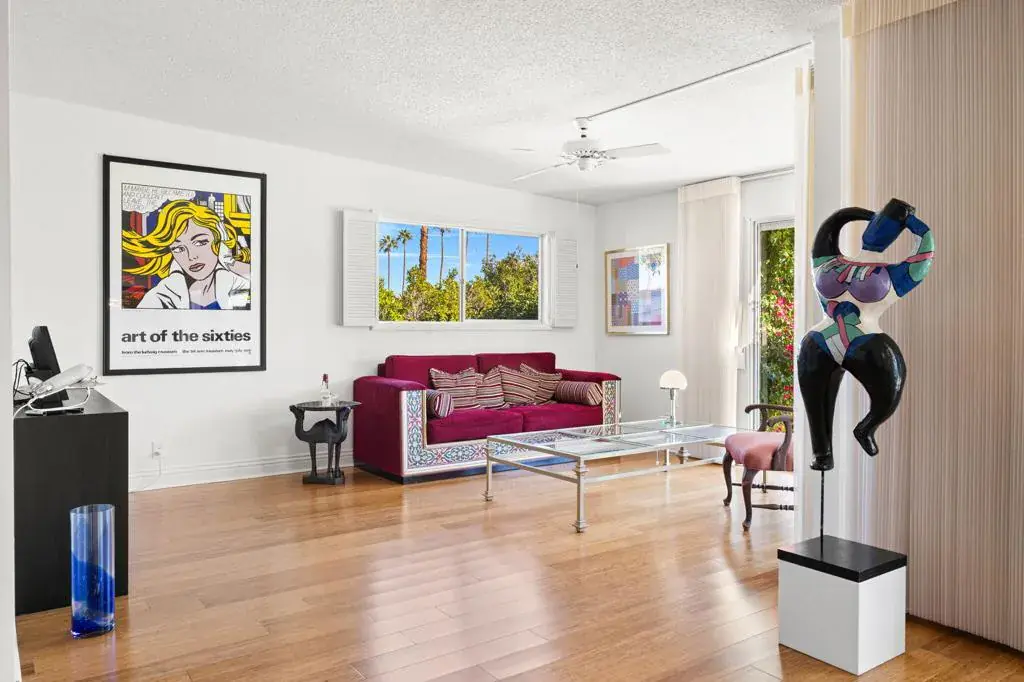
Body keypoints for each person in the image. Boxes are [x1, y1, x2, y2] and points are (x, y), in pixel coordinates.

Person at [797, 198, 934, 471]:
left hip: (862, 341)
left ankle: (866, 428)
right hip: (820, 342)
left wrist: (914, 225)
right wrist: (908, 224)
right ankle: (822, 453)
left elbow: (924, 256)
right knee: (816, 403)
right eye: (879, 223)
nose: (879, 229)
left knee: (891, 387)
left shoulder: (889, 274)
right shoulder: (846, 265)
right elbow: (831, 226)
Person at [122, 199, 252, 310]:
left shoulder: (239, 285)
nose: (191, 256)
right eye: (178, 249)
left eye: (200, 242)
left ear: (219, 241)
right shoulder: (160, 297)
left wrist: (230, 262)